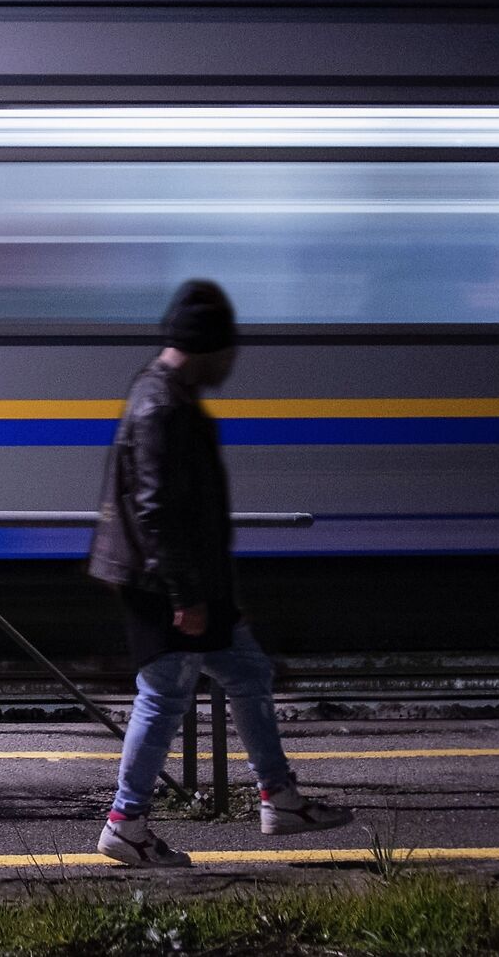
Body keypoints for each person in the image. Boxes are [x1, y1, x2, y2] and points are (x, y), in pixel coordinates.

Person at [87, 279, 354, 866]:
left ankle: (279, 799)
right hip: (165, 584)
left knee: (249, 673)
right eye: (228, 352)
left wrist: (216, 596)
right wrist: (188, 596)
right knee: (162, 699)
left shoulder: (169, 398)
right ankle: (125, 823)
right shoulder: (161, 406)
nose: (233, 363)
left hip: (188, 581)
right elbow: (157, 511)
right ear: (205, 348)